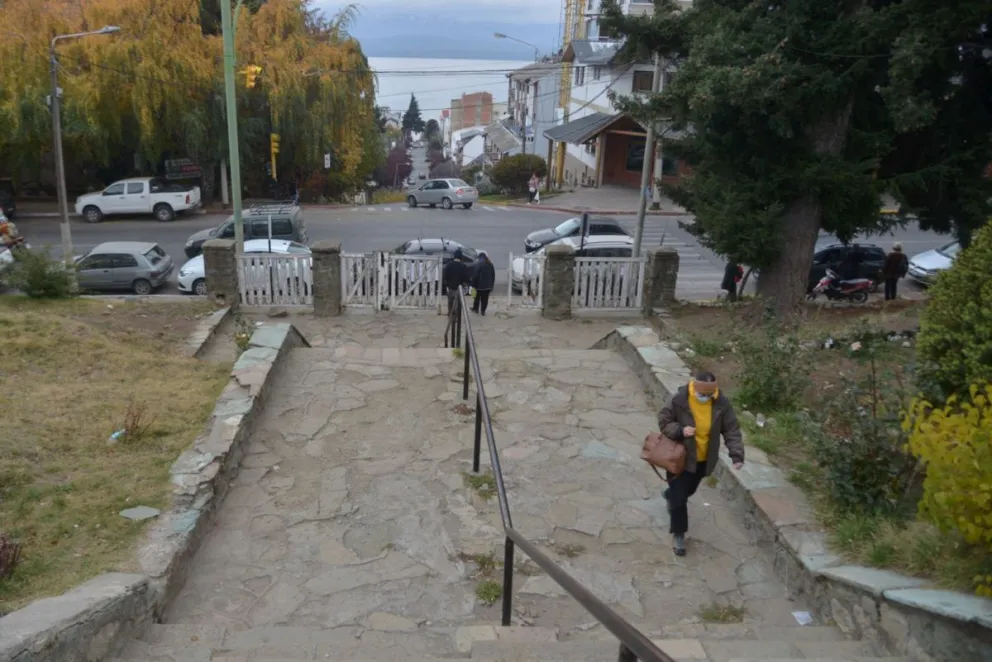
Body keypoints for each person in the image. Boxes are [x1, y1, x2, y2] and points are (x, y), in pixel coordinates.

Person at [658, 372, 745, 557]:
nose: (705, 398)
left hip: (703, 459)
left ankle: (670, 495)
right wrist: (680, 430)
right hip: (680, 457)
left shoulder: (721, 403)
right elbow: (664, 421)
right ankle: (679, 534)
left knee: (688, 491)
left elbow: (731, 429)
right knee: (680, 498)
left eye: (709, 395)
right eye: (702, 395)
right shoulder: (679, 399)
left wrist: (737, 455)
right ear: (694, 388)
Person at [442, 248, 472, 316]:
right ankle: (456, 314)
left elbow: (445, 276)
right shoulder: (463, 266)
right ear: (461, 257)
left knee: (450, 301)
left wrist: (446, 284)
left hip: (450, 287)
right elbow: (466, 278)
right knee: (458, 302)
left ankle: (450, 312)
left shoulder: (449, 265)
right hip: (459, 288)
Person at [471, 250, 496, 315]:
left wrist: (473, 284)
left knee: (477, 298)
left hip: (479, 286)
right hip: (488, 286)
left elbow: (475, 275)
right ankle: (483, 311)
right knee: (485, 299)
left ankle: (476, 309)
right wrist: (492, 285)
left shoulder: (479, 264)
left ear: (480, 257)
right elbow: (493, 275)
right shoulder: (490, 264)